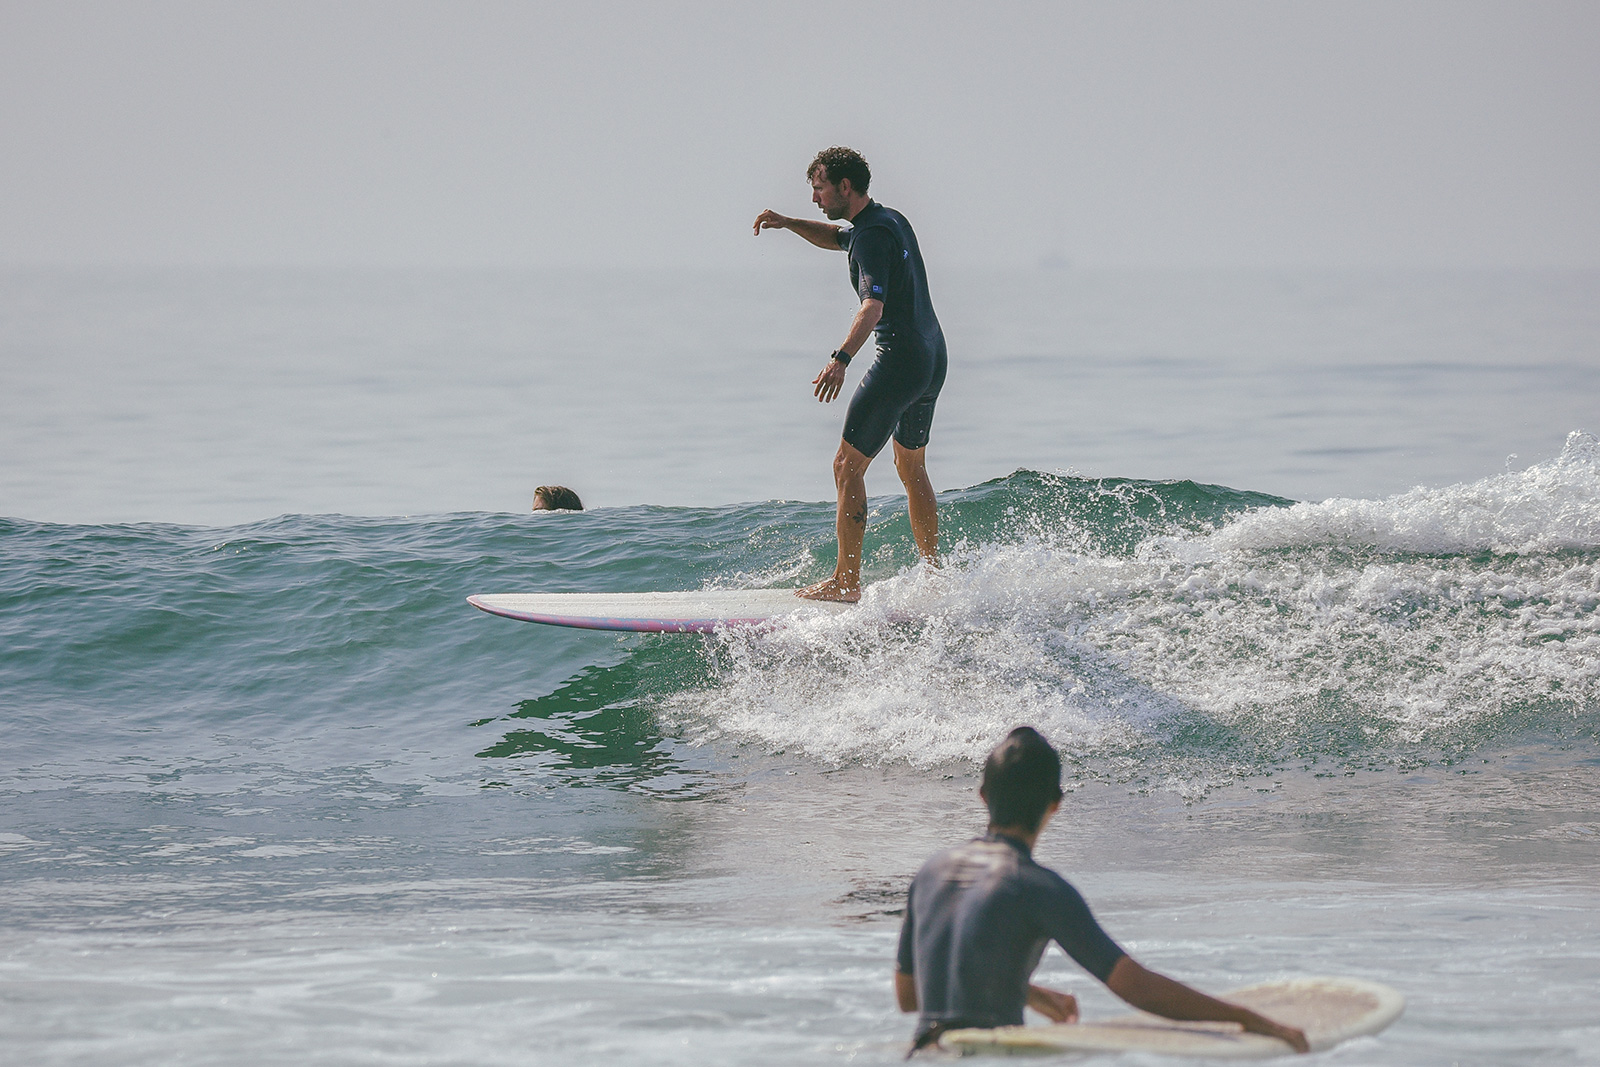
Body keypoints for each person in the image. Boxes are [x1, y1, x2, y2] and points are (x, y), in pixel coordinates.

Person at [895, 727, 1310, 1056]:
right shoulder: (1038, 887)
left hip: (925, 1054)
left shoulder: (930, 872)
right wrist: (1248, 1019)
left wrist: (1028, 994)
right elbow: (1136, 987)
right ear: (1056, 803)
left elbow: (910, 996)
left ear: (984, 796)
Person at [753, 147, 947, 602]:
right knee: (910, 465)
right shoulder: (887, 220)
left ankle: (846, 582)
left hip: (899, 360)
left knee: (846, 466)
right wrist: (788, 222)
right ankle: (936, 576)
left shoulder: (872, 238)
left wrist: (840, 359)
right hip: (931, 356)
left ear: (844, 186)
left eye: (819, 188)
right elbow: (837, 237)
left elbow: (872, 305)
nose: (816, 199)